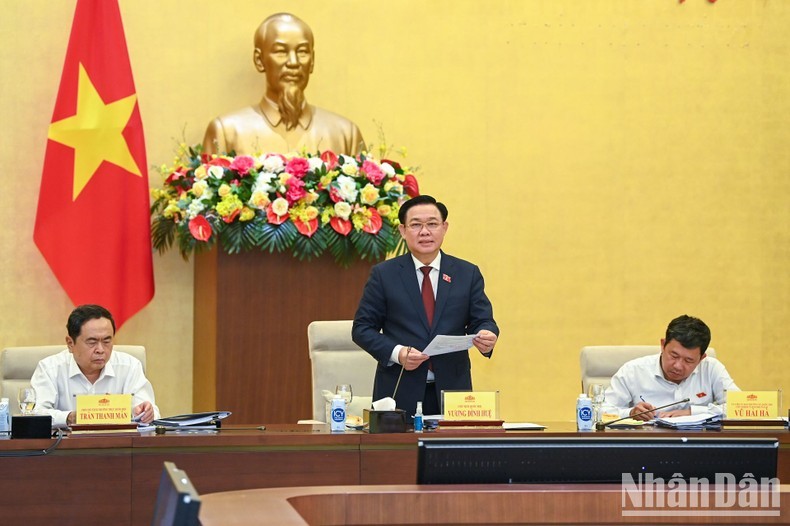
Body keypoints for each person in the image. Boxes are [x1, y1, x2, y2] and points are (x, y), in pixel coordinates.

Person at [352, 195, 499, 417]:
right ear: (403, 231)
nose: (425, 232)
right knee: (395, 453)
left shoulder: (467, 273)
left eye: (432, 224)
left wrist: (487, 335)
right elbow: (362, 328)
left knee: (453, 452)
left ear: (444, 227)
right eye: (416, 225)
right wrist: (398, 353)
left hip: (454, 394)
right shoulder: (384, 274)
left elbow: (483, 320)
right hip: (399, 390)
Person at [202, 12, 365, 156]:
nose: (293, 63)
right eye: (281, 51)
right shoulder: (227, 132)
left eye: (302, 52)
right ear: (259, 60)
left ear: (312, 61)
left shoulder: (345, 135)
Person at [30, 304, 160, 427]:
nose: (101, 349)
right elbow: (34, 414)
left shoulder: (130, 366)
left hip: (118, 446)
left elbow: (151, 411)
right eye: (92, 342)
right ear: (70, 343)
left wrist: (147, 413)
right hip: (66, 448)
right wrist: (69, 417)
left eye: (107, 341)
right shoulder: (49, 369)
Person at [603, 314, 739, 420]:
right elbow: (601, 412)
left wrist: (692, 412)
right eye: (674, 356)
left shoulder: (711, 369)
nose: (678, 366)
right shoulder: (633, 371)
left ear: (701, 358)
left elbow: (741, 409)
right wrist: (630, 413)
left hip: (698, 448)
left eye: (688, 360)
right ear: (663, 345)